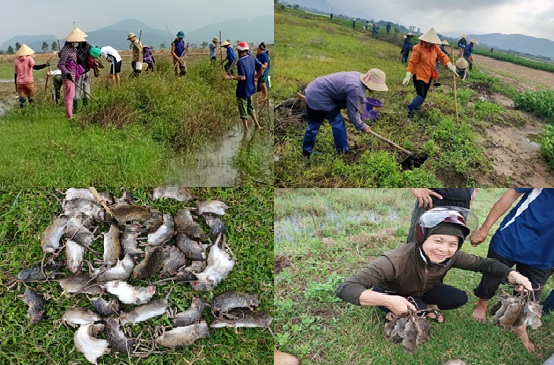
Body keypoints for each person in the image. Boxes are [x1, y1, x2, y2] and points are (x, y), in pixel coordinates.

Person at [336, 207, 533, 324]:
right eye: (438, 241)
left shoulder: (451, 256)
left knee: (459, 298)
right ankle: (396, 311)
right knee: (415, 312)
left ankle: (425, 306)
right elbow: (346, 288)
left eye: (452, 244)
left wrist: (513, 275)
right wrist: (388, 301)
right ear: (423, 238)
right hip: (392, 292)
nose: (444, 250)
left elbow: (484, 264)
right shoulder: (394, 260)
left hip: (423, 290)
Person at [470, 188, 554, 352]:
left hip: (545, 251)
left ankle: (519, 325)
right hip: (514, 236)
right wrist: (485, 228)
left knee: (531, 294)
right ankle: (482, 304)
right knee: (491, 276)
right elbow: (511, 194)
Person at [301, 68, 389, 158]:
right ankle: (342, 152)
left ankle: (306, 152)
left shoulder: (357, 75)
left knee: (313, 125)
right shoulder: (357, 90)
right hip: (321, 97)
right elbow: (352, 114)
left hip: (312, 90)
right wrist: (362, 126)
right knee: (338, 123)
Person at [402, 28, 458, 123]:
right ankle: (409, 111)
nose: (430, 44)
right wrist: (408, 75)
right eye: (429, 42)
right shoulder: (417, 48)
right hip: (419, 74)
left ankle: (416, 108)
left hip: (429, 75)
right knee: (420, 94)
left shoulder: (435, 48)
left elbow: (442, 56)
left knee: (424, 96)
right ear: (424, 40)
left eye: (432, 42)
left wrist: (449, 65)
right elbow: (412, 62)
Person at [406, 188, 477, 244]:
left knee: (450, 245)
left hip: (463, 203)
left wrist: (475, 189)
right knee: (419, 243)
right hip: (433, 200)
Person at [223, 41, 265, 130]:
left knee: (243, 112)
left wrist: (230, 77)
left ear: (239, 51)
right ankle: (257, 125)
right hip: (251, 88)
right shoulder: (252, 58)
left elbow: (242, 77)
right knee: (251, 107)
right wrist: (256, 77)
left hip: (242, 90)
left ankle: (246, 130)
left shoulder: (240, 62)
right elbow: (262, 67)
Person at [58, 29, 86, 119]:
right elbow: (60, 65)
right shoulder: (65, 51)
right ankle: (69, 115)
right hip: (67, 77)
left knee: (71, 95)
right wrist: (67, 73)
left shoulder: (73, 50)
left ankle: (69, 114)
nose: (77, 43)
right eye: (75, 41)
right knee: (69, 96)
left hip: (73, 76)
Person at [13, 44, 49, 109]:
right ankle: (32, 111)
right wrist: (45, 65)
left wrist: (16, 85)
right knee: (31, 98)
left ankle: (22, 113)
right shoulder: (29, 58)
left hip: (20, 83)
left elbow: (15, 74)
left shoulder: (16, 60)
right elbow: (35, 67)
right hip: (29, 82)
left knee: (22, 99)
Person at [74, 35, 93, 112]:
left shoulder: (79, 47)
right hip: (87, 70)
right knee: (86, 87)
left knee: (78, 89)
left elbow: (80, 58)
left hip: (80, 70)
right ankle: (86, 107)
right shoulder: (88, 45)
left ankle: (76, 108)